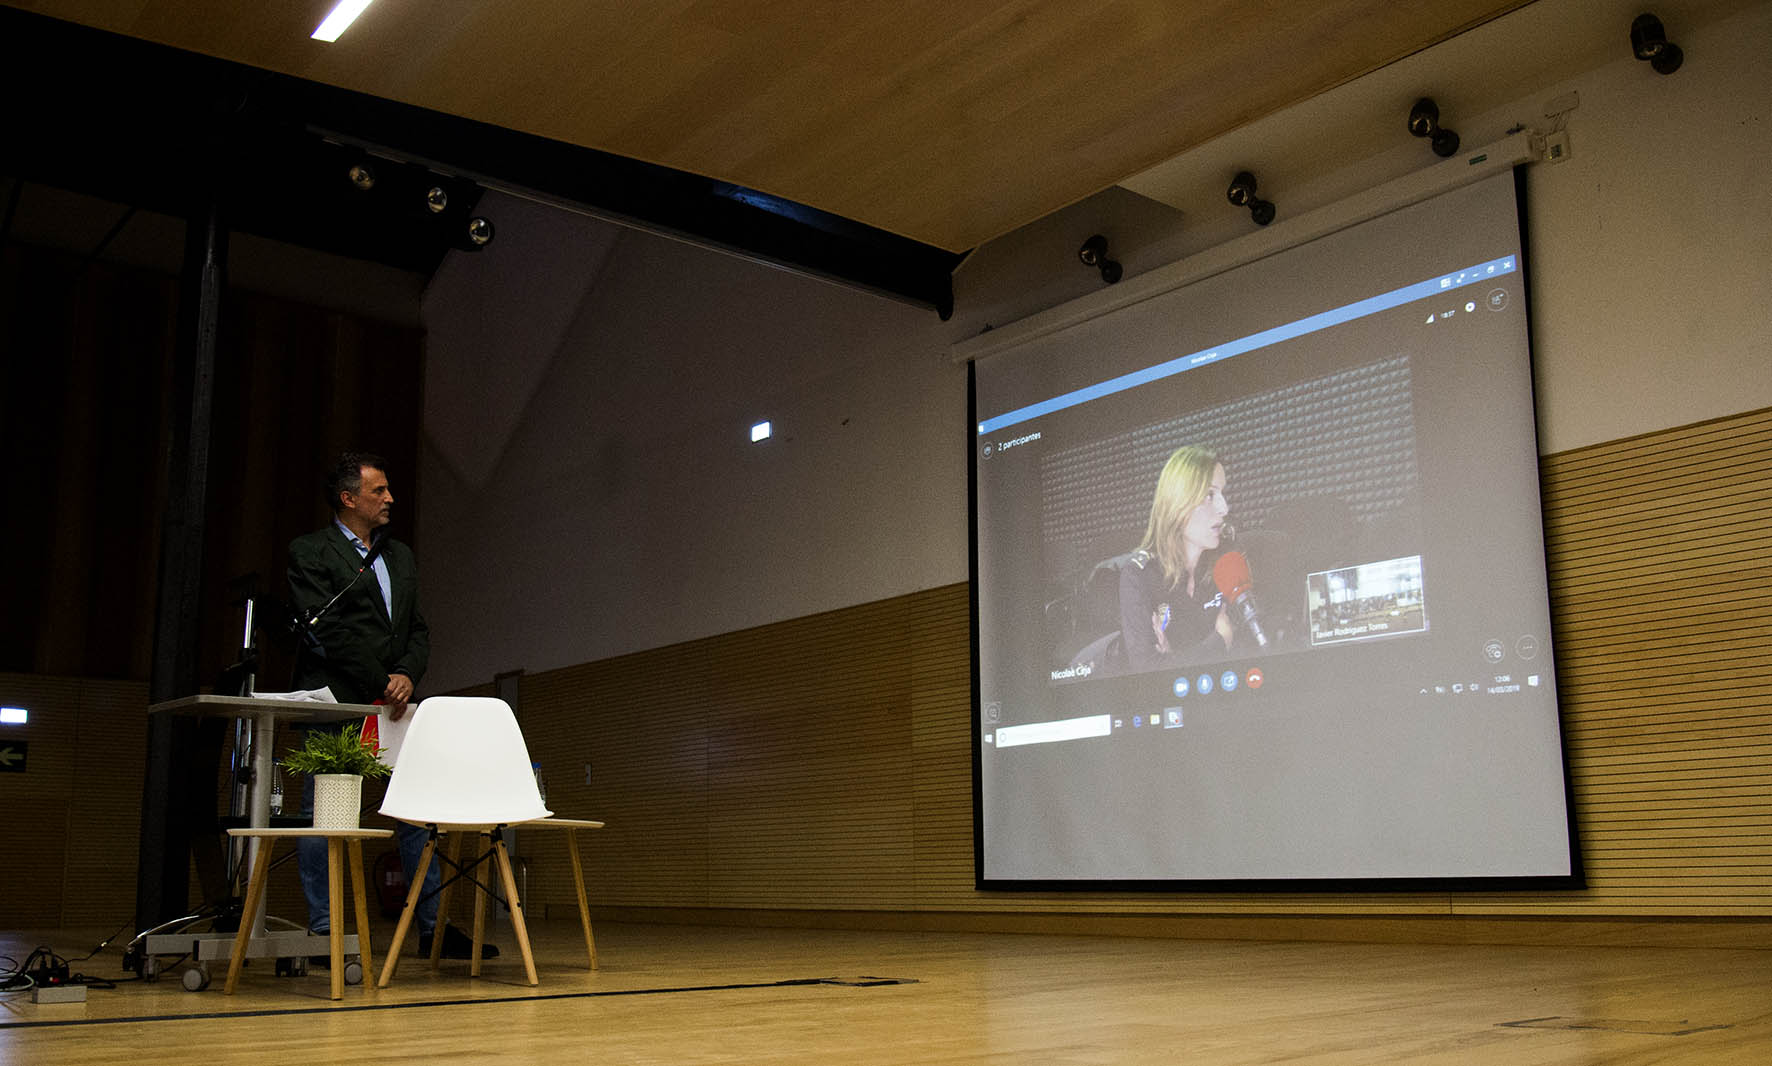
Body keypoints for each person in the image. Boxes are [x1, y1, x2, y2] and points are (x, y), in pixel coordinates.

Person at [287, 451, 493, 960]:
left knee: (417, 813)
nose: (389, 499)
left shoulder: (397, 556)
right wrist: (382, 680)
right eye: (378, 491)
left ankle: (432, 928)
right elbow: (327, 630)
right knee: (324, 818)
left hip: (395, 708)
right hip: (337, 704)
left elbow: (416, 628)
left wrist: (405, 675)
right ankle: (324, 932)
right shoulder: (310, 551)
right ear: (348, 498)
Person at [1118, 445, 1235, 673]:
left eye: (1222, 493)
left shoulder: (1228, 557)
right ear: (1178, 503)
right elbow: (1148, 672)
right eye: (1210, 495)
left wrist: (1176, 659)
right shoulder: (1139, 574)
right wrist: (1220, 641)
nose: (1224, 508)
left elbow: (1250, 639)